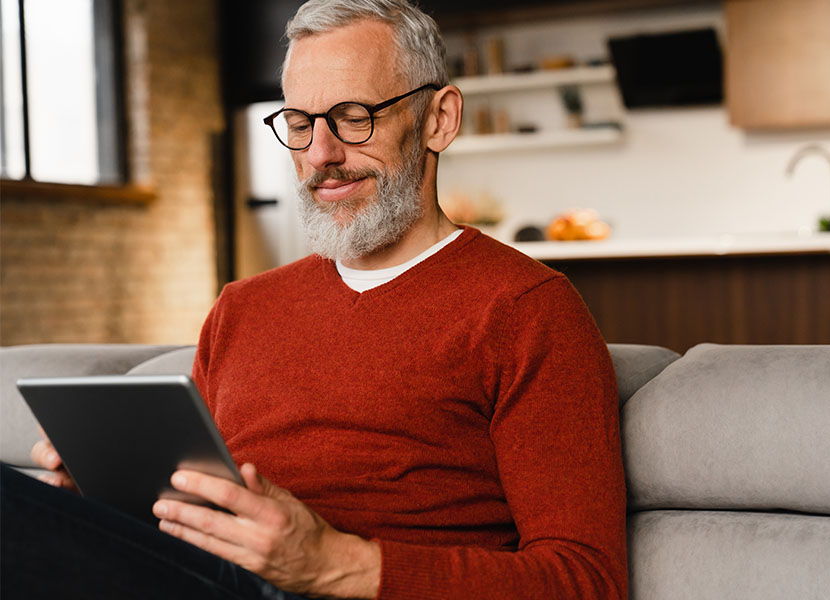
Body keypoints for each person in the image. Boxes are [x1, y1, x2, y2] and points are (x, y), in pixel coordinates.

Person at [9, 0, 627, 598]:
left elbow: (587, 582)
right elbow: (198, 510)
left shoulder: (528, 308)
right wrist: (105, 509)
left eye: (355, 116)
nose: (321, 155)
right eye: (300, 124)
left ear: (439, 118)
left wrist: (336, 565)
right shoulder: (243, 308)